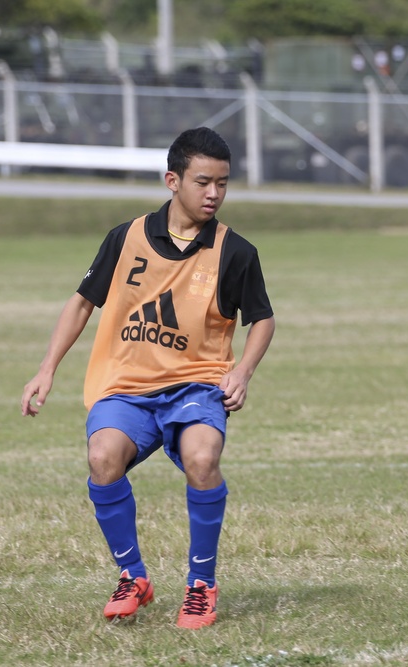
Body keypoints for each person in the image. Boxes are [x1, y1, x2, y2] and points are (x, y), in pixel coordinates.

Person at [21, 127, 275, 629]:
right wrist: (46, 369)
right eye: (203, 182)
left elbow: (262, 317)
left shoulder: (235, 251)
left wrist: (243, 370)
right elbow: (82, 303)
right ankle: (133, 576)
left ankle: (201, 585)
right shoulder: (127, 237)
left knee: (203, 458)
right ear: (171, 180)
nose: (214, 194)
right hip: (127, 387)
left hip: (197, 385)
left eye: (223, 184)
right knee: (102, 457)